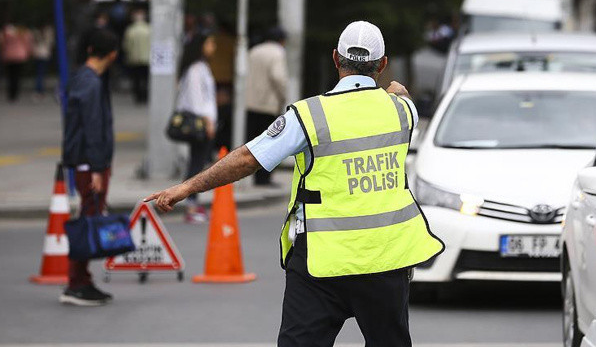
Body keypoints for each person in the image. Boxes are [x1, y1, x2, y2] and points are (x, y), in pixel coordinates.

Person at [145, 21, 444, 346]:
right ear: (383, 64)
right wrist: (396, 91)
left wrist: (187, 188)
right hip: (385, 260)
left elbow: (248, 158)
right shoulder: (402, 111)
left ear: (335, 59)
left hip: (320, 263)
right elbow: (400, 94)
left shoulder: (308, 116)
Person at [61, 29, 119, 306]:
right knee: (88, 220)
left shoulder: (81, 78)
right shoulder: (92, 83)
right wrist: (98, 168)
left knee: (88, 216)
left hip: (85, 161)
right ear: (112, 54)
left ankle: (81, 280)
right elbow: (93, 128)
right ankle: (77, 283)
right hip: (89, 164)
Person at [175, 33, 217, 223]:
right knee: (196, 164)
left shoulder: (201, 67)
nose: (213, 46)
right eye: (210, 42)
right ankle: (191, 204)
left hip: (204, 122)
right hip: (200, 123)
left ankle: (192, 202)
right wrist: (208, 122)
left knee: (198, 162)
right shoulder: (195, 69)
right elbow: (196, 100)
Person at [245, 26, 288, 186]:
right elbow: (278, 77)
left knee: (254, 142)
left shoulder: (254, 51)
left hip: (251, 102)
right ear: (281, 40)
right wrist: (283, 96)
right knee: (270, 143)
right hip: (268, 104)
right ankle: (264, 178)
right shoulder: (277, 52)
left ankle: (255, 176)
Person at [122, 9, 150, 104]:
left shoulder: (130, 30)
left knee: (136, 79)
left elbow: (126, 45)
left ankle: (138, 96)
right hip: (147, 58)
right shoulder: (149, 29)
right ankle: (145, 96)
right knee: (146, 79)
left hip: (134, 58)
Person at [1, 23, 32, 102]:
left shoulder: (6, 34)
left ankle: (11, 94)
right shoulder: (23, 33)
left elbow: (2, 44)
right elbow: (27, 44)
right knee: (17, 76)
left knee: (10, 76)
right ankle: (15, 93)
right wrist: (28, 53)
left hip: (9, 56)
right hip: (20, 56)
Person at [32, 23, 55, 96]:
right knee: (41, 72)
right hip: (44, 54)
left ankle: (39, 89)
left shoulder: (36, 32)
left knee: (39, 72)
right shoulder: (48, 32)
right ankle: (40, 89)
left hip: (38, 53)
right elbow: (51, 42)